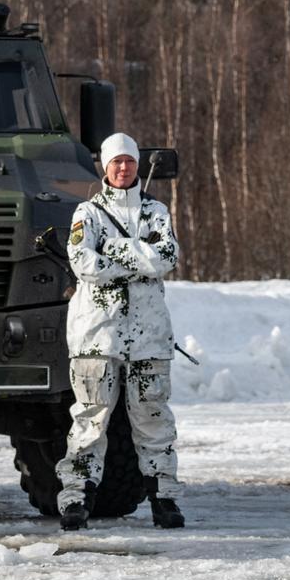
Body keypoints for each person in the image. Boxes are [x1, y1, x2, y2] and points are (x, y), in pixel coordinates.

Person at [55, 132, 184, 531]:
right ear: (105, 168)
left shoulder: (156, 211)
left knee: (154, 418)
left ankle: (164, 499)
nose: (124, 168)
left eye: (129, 161)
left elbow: (168, 257)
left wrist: (112, 248)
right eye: (117, 162)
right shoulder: (87, 214)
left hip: (148, 337)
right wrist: (137, 255)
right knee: (91, 419)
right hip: (97, 336)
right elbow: (83, 264)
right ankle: (76, 498)